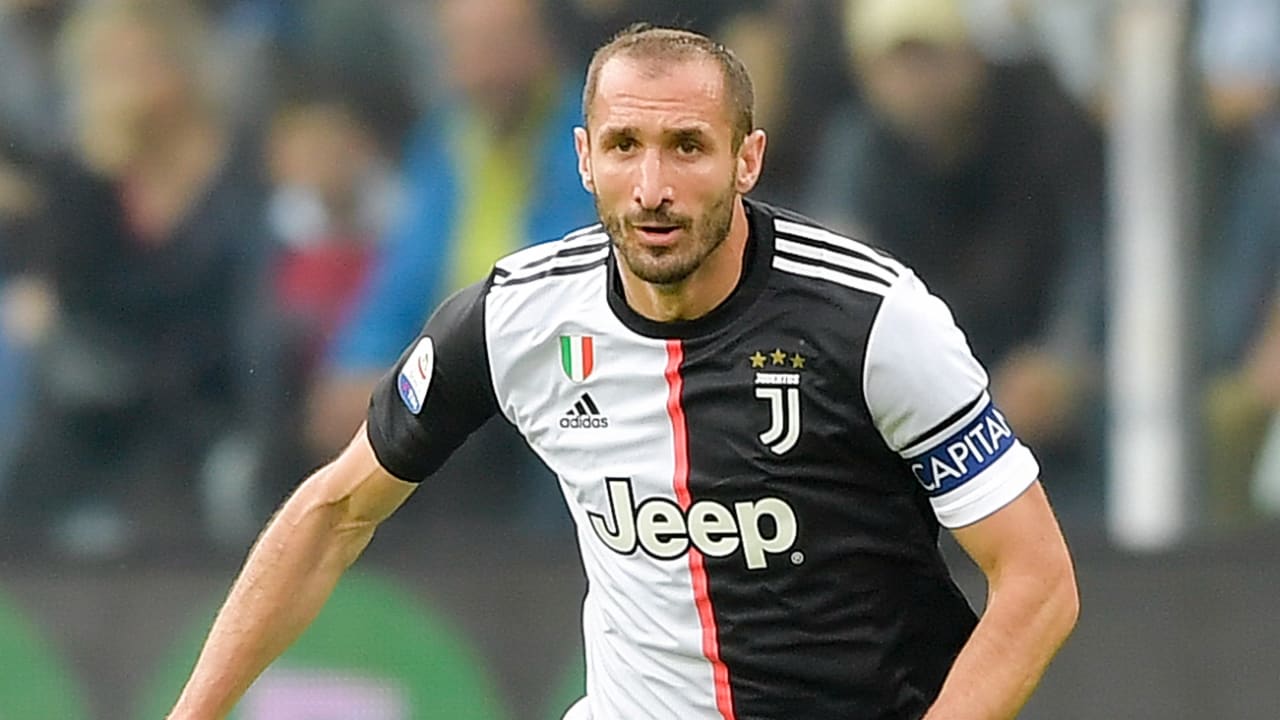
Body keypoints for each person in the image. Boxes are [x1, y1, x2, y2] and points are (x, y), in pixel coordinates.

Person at [166, 24, 1078, 720]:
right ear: (584, 159)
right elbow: (333, 512)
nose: (652, 189)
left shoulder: (875, 322)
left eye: (687, 146)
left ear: (747, 160)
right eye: (624, 147)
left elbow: (1037, 585)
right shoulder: (517, 317)